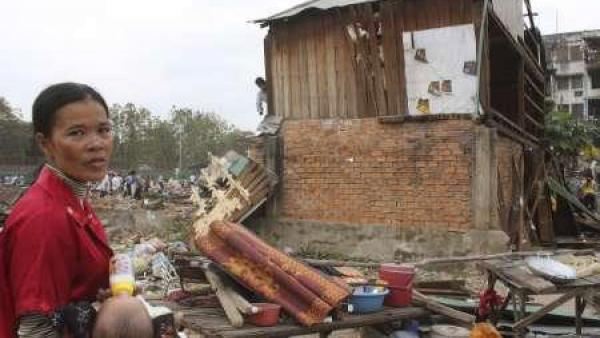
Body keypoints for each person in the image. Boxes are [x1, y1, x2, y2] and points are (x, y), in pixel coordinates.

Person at [0, 82, 115, 337]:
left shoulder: (75, 201)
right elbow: (35, 329)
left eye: (103, 130)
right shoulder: (44, 217)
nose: (97, 143)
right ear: (45, 143)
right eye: (77, 133)